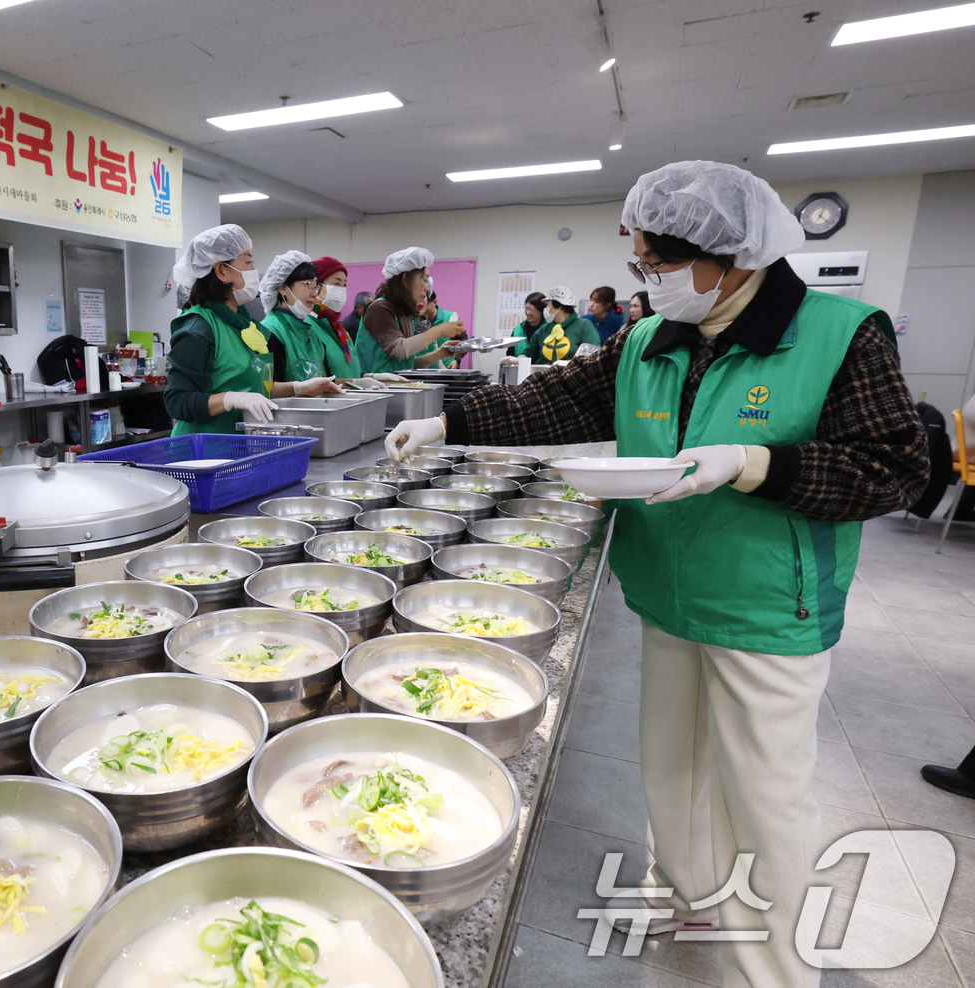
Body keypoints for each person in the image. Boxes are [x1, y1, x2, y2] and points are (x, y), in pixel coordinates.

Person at [384, 160, 929, 988]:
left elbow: (894, 470)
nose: (649, 278)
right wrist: (446, 424)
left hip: (767, 607)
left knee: (764, 803)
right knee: (672, 768)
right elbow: (553, 401)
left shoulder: (839, 334)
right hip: (667, 589)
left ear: (733, 257)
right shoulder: (651, 338)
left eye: (662, 262)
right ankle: (682, 896)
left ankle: (773, 972)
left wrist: (753, 462)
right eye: (641, 262)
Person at [165, 225, 342, 435]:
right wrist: (231, 399)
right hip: (203, 449)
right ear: (221, 271)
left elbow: (254, 388)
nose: (254, 270)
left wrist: (297, 388)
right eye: (248, 262)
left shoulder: (246, 325)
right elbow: (177, 401)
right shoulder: (199, 329)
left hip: (241, 444)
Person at [258, 250, 386, 389]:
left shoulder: (310, 332)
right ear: (283, 288)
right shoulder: (270, 331)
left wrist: (357, 382)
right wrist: (297, 389)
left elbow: (327, 379)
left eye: (315, 287)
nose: (314, 294)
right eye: (308, 285)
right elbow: (265, 388)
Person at [355, 247, 467, 374]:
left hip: (394, 384)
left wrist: (440, 353)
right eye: (424, 280)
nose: (427, 288)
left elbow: (407, 364)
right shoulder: (379, 308)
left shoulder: (404, 314)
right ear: (406, 279)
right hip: (373, 385)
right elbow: (400, 349)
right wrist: (439, 331)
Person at [523, 287, 599, 363]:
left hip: (573, 370)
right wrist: (519, 359)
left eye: (548, 305)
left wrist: (569, 363)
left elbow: (592, 356)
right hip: (546, 370)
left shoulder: (584, 326)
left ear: (560, 306)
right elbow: (529, 352)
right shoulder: (544, 330)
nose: (546, 308)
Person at [511, 291, 547, 356]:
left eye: (530, 309)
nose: (527, 312)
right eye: (526, 308)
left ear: (541, 310)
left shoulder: (549, 329)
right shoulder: (518, 330)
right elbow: (510, 353)